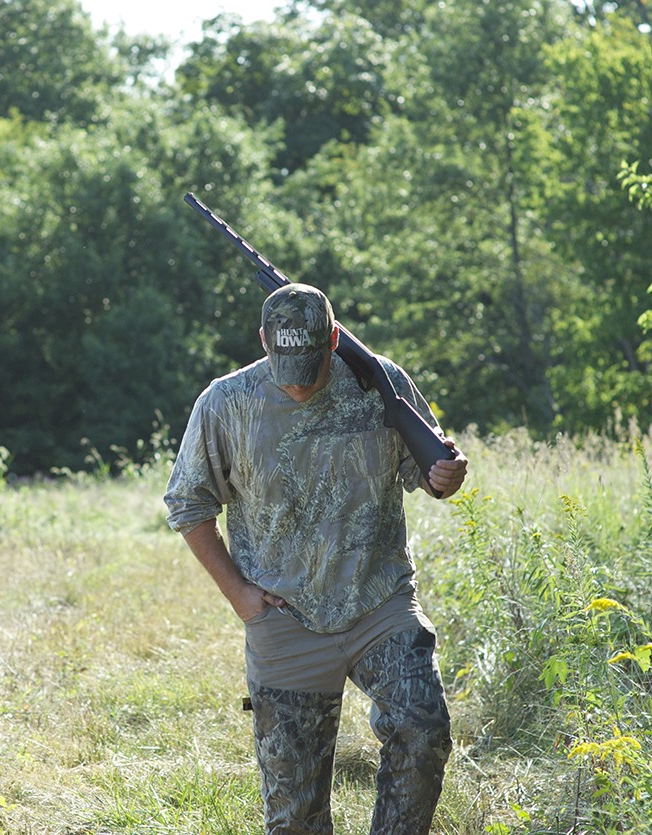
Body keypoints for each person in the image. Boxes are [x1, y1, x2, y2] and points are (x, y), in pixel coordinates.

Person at [163, 282, 468, 834]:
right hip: (286, 619)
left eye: (311, 363)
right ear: (262, 341)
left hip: (380, 603)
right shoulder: (226, 402)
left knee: (424, 727)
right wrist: (241, 597)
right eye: (286, 365)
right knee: (295, 818)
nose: (299, 383)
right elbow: (187, 504)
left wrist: (446, 473)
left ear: (333, 339)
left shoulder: (381, 381)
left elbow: (430, 473)